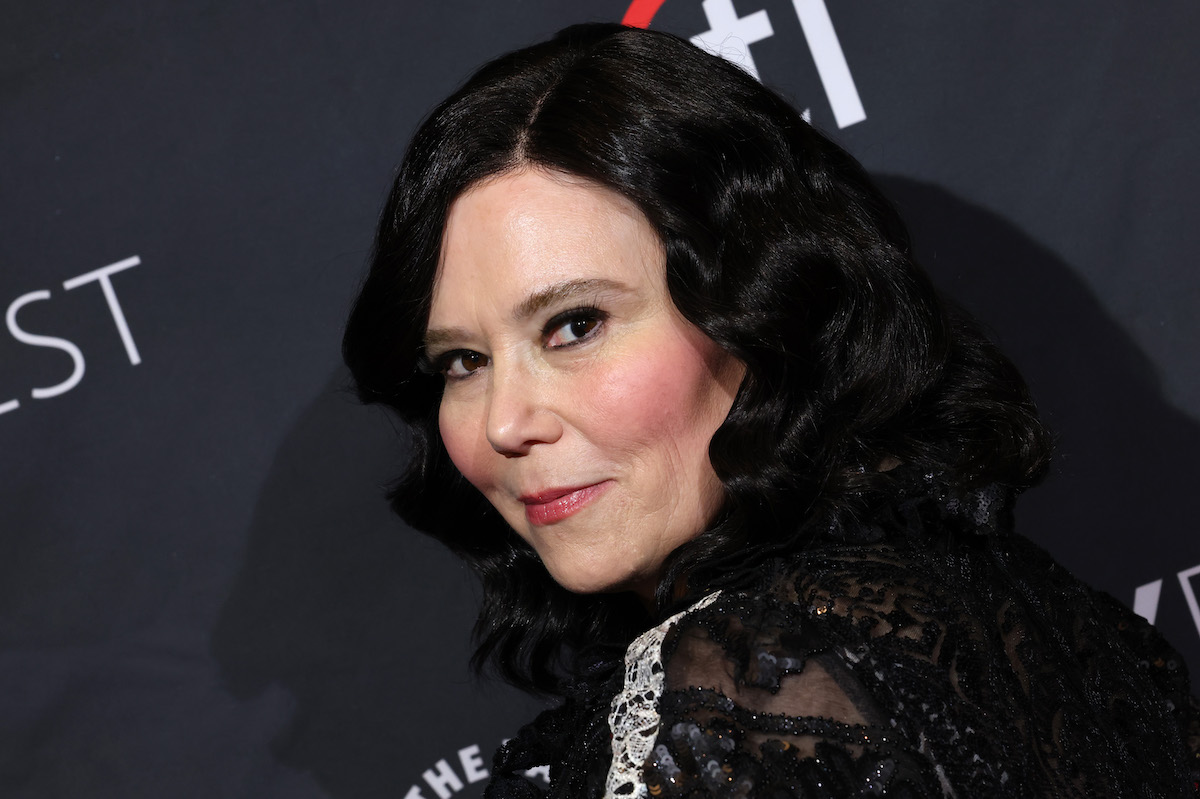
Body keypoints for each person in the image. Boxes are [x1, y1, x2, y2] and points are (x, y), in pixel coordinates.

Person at [342, 22, 1200, 798]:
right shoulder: (1068, 635)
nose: (504, 421)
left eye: (575, 325)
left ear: (760, 308)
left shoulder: (756, 687)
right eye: (462, 361)